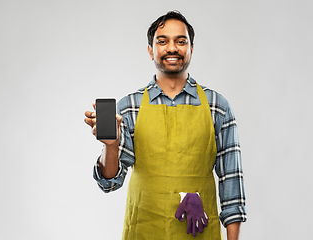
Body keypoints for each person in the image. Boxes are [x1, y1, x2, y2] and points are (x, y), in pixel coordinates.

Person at [84, 11, 246, 240]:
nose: (172, 48)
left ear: (191, 49)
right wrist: (110, 145)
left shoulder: (216, 106)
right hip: (144, 230)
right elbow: (110, 182)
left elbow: (231, 181)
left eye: (181, 41)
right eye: (163, 41)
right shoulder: (129, 107)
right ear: (151, 50)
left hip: (200, 233)